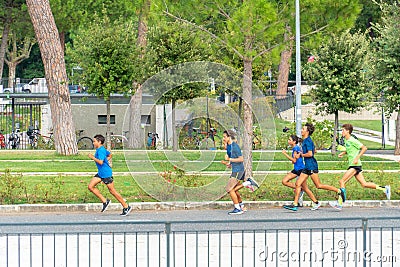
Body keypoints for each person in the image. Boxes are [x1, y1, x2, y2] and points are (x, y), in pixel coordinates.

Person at [283, 123, 343, 212]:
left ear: (307, 131)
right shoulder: (306, 141)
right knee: (297, 184)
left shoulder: (308, 141)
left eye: (303, 129)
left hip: (311, 166)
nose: (301, 130)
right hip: (307, 167)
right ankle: (295, 205)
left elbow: (311, 154)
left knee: (318, 185)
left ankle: (339, 191)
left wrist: (301, 155)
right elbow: (314, 150)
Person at [329, 124, 390, 210]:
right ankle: (384, 189)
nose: (342, 132)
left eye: (343, 130)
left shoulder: (352, 140)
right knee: (364, 184)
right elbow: (350, 149)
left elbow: (364, 148)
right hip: (354, 165)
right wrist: (344, 153)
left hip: (355, 165)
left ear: (347, 131)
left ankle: (340, 203)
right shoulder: (346, 140)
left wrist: (357, 157)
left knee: (342, 181)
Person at [88, 134, 132, 216]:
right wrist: (106, 161)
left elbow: (100, 162)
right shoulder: (101, 149)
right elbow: (110, 155)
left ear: (99, 142)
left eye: (94, 141)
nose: (93, 143)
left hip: (106, 173)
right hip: (101, 173)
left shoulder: (101, 150)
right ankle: (105, 201)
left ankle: (126, 206)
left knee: (112, 191)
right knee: (90, 186)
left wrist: (92, 157)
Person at [223, 129, 259, 215]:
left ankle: (237, 208)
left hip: (238, 170)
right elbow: (233, 157)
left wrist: (229, 159)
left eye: (224, 137)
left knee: (229, 189)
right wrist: (230, 163)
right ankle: (241, 205)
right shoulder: (228, 146)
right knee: (234, 190)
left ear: (229, 137)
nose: (223, 138)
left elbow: (241, 159)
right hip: (235, 169)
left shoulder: (235, 147)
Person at [281, 134, 314, 207]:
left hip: (301, 169)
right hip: (296, 169)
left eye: (290, 140)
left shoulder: (296, 148)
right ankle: (300, 189)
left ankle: (315, 202)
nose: (288, 141)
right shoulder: (295, 148)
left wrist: (285, 154)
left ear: (294, 141)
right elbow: (295, 160)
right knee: (284, 181)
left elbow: (294, 160)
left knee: (305, 188)